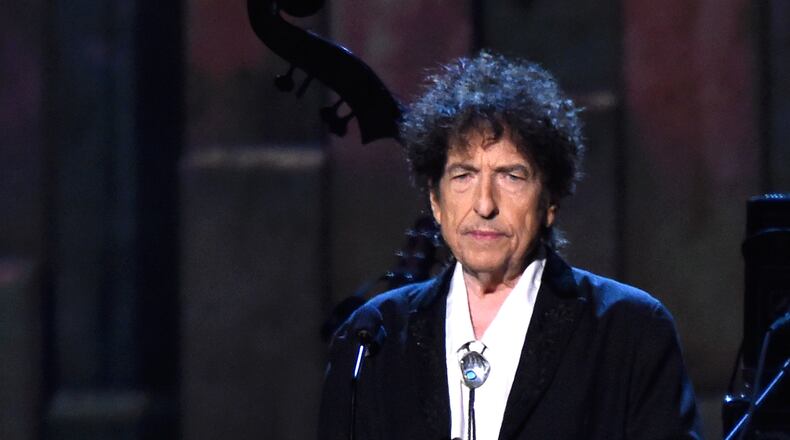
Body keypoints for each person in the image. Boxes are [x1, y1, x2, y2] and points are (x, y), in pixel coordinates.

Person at [318, 51, 702, 440]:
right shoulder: (371, 338)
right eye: (463, 175)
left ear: (549, 201)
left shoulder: (630, 331)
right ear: (435, 201)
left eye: (511, 176)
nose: (484, 204)